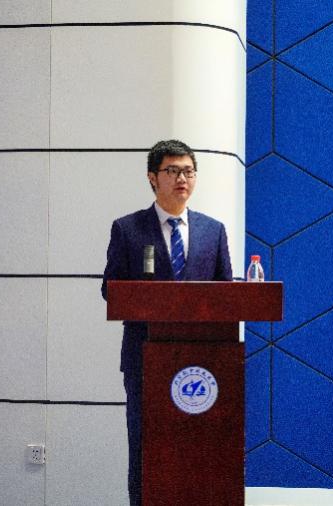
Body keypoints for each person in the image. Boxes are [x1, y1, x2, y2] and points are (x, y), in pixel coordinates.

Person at [101, 139, 233, 506]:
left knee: (199, 448)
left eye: (189, 171)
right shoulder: (128, 229)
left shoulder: (213, 230)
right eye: (172, 171)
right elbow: (110, 290)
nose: (182, 179)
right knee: (146, 448)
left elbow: (226, 295)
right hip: (145, 359)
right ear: (152, 178)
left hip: (203, 363)